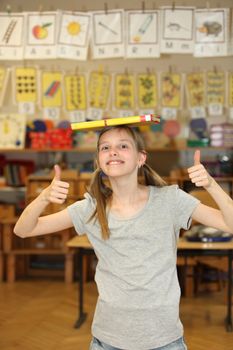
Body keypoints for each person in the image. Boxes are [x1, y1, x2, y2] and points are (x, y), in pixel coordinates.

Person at [14, 125, 233, 350]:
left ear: (141, 158)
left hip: (164, 340)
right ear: (99, 161)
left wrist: (211, 184)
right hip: (108, 340)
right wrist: (43, 198)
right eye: (105, 147)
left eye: (123, 146)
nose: (113, 151)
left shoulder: (170, 200)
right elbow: (23, 230)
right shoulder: (90, 208)